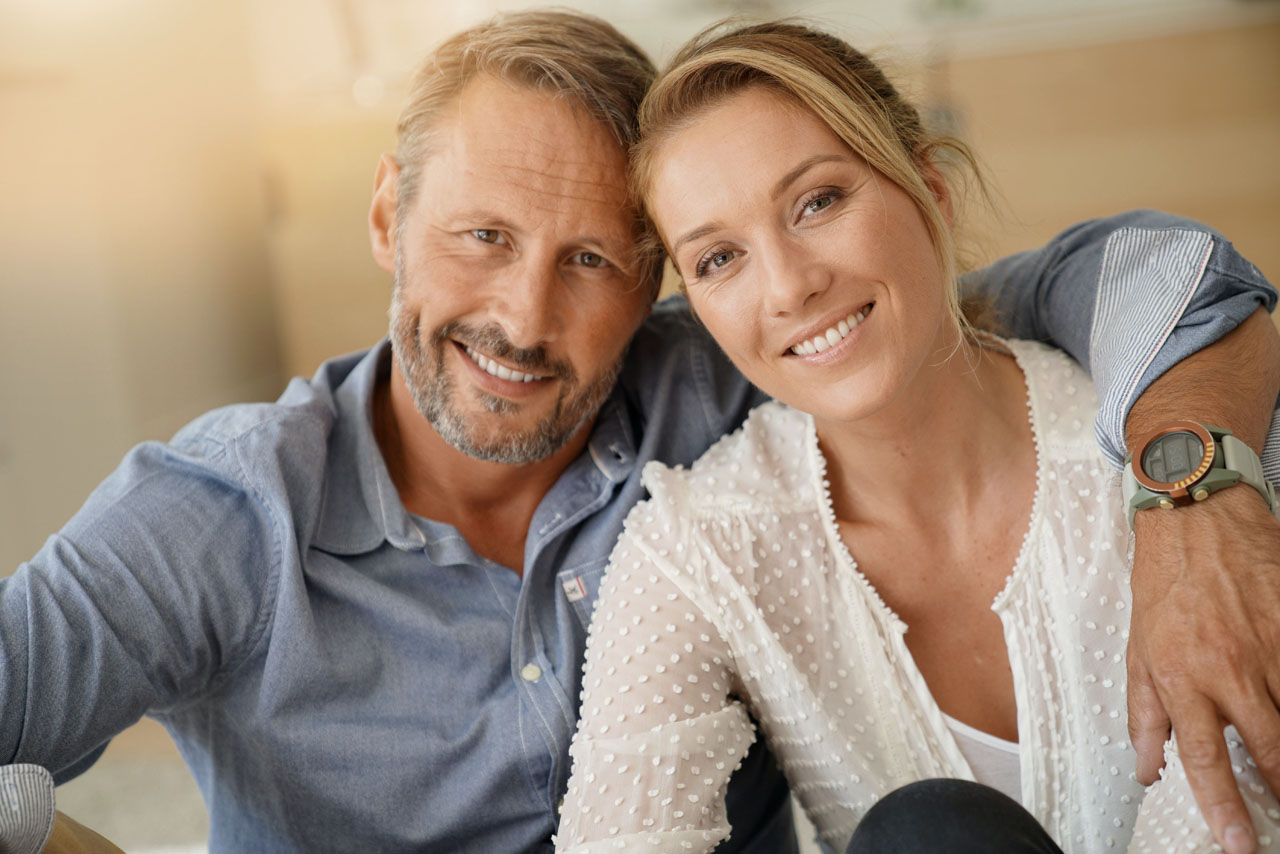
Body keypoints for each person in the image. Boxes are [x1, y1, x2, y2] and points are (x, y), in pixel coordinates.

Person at [0, 8, 1277, 854]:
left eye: (591, 259)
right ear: (389, 217)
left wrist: (1196, 487)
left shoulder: (735, 364)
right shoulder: (220, 517)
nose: (522, 317)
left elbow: (1142, 279)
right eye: (481, 235)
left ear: (656, 281)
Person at [554, 19, 1280, 854]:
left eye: (818, 202)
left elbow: (1236, 820)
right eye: (719, 259)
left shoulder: (1166, 458)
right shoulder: (698, 547)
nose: (789, 287)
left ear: (930, 191)